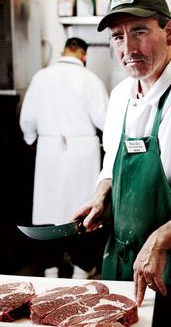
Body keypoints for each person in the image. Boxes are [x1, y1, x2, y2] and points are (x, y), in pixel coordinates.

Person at [72, 0, 171, 327]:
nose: (128, 48)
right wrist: (102, 192)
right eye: (118, 37)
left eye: (139, 32)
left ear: (169, 32)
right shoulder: (122, 93)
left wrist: (159, 239)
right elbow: (113, 157)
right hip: (122, 267)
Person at [20, 37, 109, 279]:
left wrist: (32, 140)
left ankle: (50, 267)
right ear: (84, 56)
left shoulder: (41, 77)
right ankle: (82, 268)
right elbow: (105, 121)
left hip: (49, 151)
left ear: (63, 51)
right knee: (83, 210)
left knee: (48, 210)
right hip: (83, 153)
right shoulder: (90, 80)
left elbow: (26, 120)